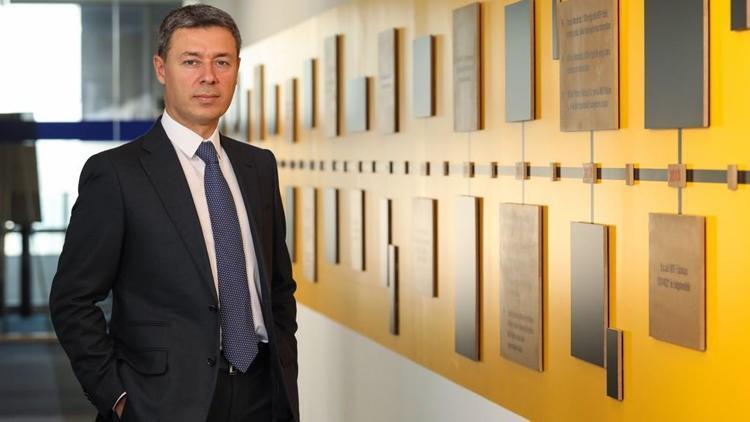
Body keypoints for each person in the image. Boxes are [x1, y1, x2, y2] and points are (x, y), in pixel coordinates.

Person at [49, 5, 298, 421]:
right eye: (191, 61)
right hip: (162, 402)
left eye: (222, 62)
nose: (209, 77)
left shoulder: (258, 166)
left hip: (262, 394)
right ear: (161, 69)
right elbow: (72, 299)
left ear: (237, 69)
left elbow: (278, 287)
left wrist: (284, 367)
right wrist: (117, 396)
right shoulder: (116, 174)